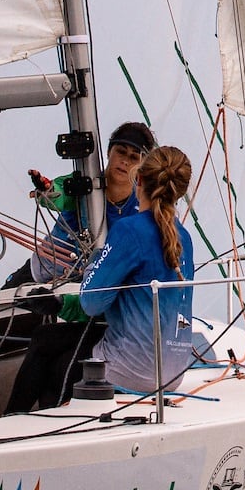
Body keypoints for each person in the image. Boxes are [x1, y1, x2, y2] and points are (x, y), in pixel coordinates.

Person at [77, 145, 197, 395]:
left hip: (130, 373)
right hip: (173, 374)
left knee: (49, 349)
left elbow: (91, 303)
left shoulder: (128, 230)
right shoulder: (184, 238)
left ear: (139, 179)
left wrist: (94, 265)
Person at [10, 121, 157, 287]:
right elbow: (61, 193)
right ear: (109, 152)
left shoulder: (142, 207)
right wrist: (48, 190)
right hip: (39, 276)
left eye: (134, 157)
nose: (125, 161)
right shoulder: (84, 184)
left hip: (90, 289)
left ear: (143, 165)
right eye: (121, 152)